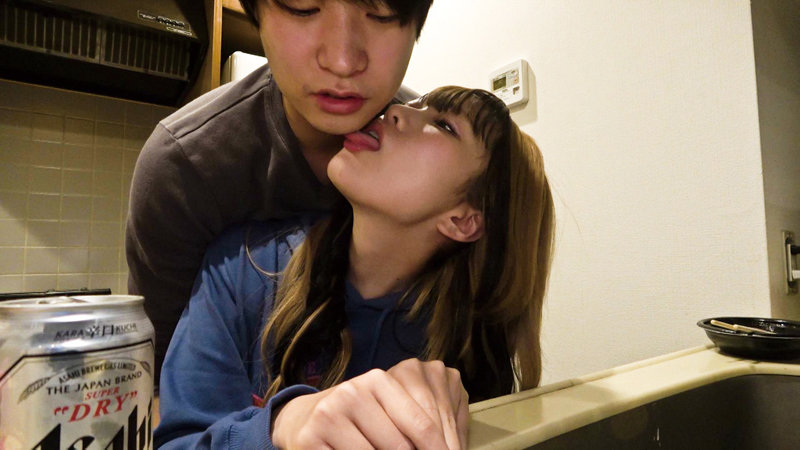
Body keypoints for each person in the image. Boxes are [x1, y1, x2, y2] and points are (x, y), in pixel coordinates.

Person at [154, 86, 555, 449]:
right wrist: (280, 426)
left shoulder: (462, 350)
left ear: (463, 221)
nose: (396, 110)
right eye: (417, 103)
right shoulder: (244, 266)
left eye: (445, 125)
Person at [125, 0, 435, 384]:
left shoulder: (435, 163)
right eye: (302, 7)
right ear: (257, 14)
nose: (342, 61)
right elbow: (157, 389)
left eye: (382, 11)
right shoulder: (185, 168)